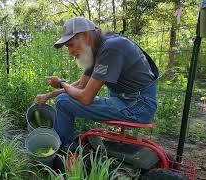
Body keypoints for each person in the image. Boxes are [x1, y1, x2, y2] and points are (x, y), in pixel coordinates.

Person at [34, 17, 158, 149]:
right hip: (129, 101)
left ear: (86, 36)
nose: (70, 52)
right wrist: (49, 95)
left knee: (63, 102)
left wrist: (62, 84)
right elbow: (81, 85)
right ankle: (63, 146)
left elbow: (86, 97)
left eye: (70, 45)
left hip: (137, 107)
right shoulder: (98, 47)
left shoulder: (111, 48)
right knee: (63, 99)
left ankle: (62, 151)